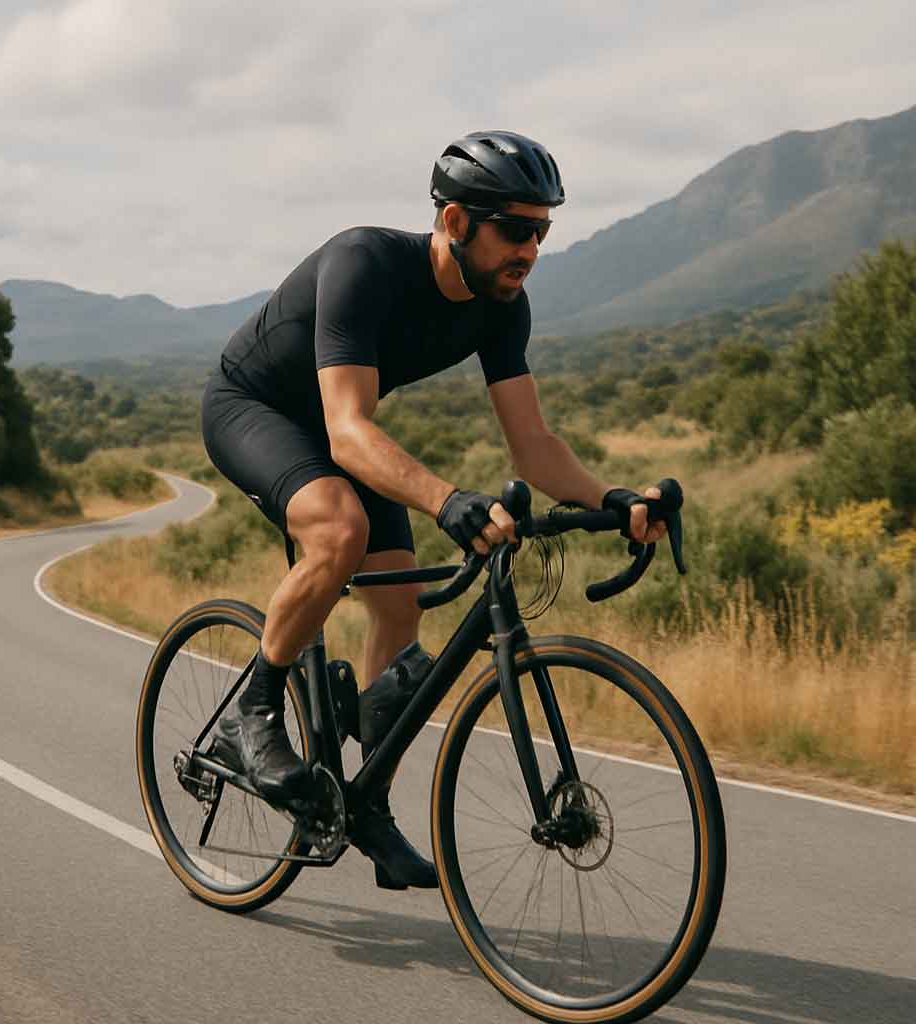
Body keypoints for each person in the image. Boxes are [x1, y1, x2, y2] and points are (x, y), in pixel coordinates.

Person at [201, 130, 667, 890]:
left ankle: (366, 802)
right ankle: (248, 713)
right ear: (455, 222)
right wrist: (448, 500)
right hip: (254, 409)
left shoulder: (500, 306)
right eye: (516, 230)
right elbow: (348, 429)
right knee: (339, 529)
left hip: (341, 432)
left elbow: (534, 445)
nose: (532, 249)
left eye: (543, 231)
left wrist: (612, 500)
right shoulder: (365, 263)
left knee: (399, 610)